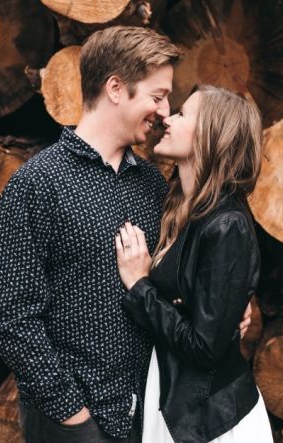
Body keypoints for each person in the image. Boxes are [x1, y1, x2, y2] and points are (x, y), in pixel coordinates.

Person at [0, 27, 251, 443]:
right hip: (73, 424)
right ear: (115, 88)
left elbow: (180, 279)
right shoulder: (37, 183)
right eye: (157, 96)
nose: (164, 112)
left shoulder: (153, 185)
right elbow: (11, 317)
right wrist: (72, 415)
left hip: (148, 418)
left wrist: (229, 307)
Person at [115, 85, 273, 443]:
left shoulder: (227, 224)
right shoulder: (178, 208)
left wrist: (140, 286)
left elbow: (204, 347)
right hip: (174, 403)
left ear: (210, 135)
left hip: (211, 422)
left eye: (183, 114)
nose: (168, 119)